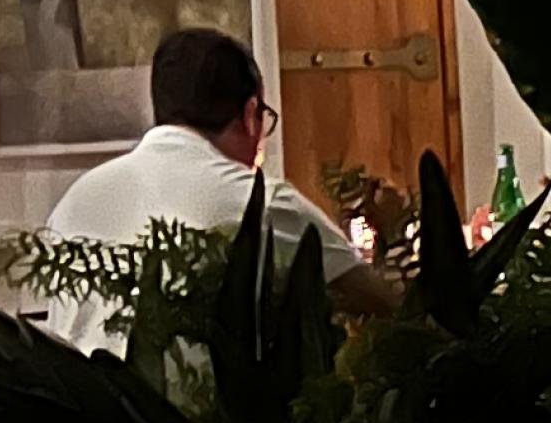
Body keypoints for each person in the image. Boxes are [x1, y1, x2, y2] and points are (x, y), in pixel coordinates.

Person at [33, 29, 388, 353]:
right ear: (251, 115)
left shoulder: (73, 203)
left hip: (77, 422)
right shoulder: (261, 204)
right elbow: (388, 306)